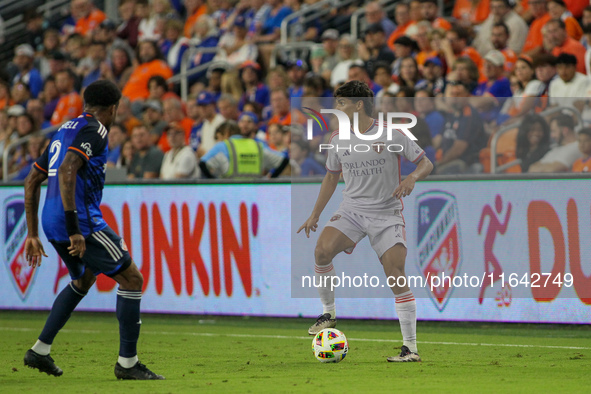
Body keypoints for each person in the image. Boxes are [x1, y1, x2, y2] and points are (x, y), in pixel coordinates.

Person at [22, 80, 163, 380]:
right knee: (132, 279)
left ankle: (40, 350)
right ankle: (127, 364)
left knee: (83, 278)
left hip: (50, 221)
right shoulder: (97, 130)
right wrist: (75, 229)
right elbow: (67, 169)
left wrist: (32, 233)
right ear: (112, 108)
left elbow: (32, 180)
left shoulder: (63, 129)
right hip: (81, 222)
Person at [297, 80, 433, 362]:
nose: (337, 108)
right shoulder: (337, 139)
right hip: (352, 210)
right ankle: (328, 312)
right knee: (322, 250)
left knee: (395, 274)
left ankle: (411, 349)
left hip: (386, 213)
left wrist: (411, 178)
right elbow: (331, 177)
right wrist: (315, 214)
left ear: (359, 105)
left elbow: (425, 163)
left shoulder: (391, 134)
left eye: (342, 103)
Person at [199, 120, 289, 179]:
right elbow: (284, 160)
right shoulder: (258, 145)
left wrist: (214, 183)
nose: (218, 141)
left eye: (218, 138)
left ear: (226, 133)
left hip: (231, 195)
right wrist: (271, 180)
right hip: (255, 196)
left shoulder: (223, 146)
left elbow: (202, 163)